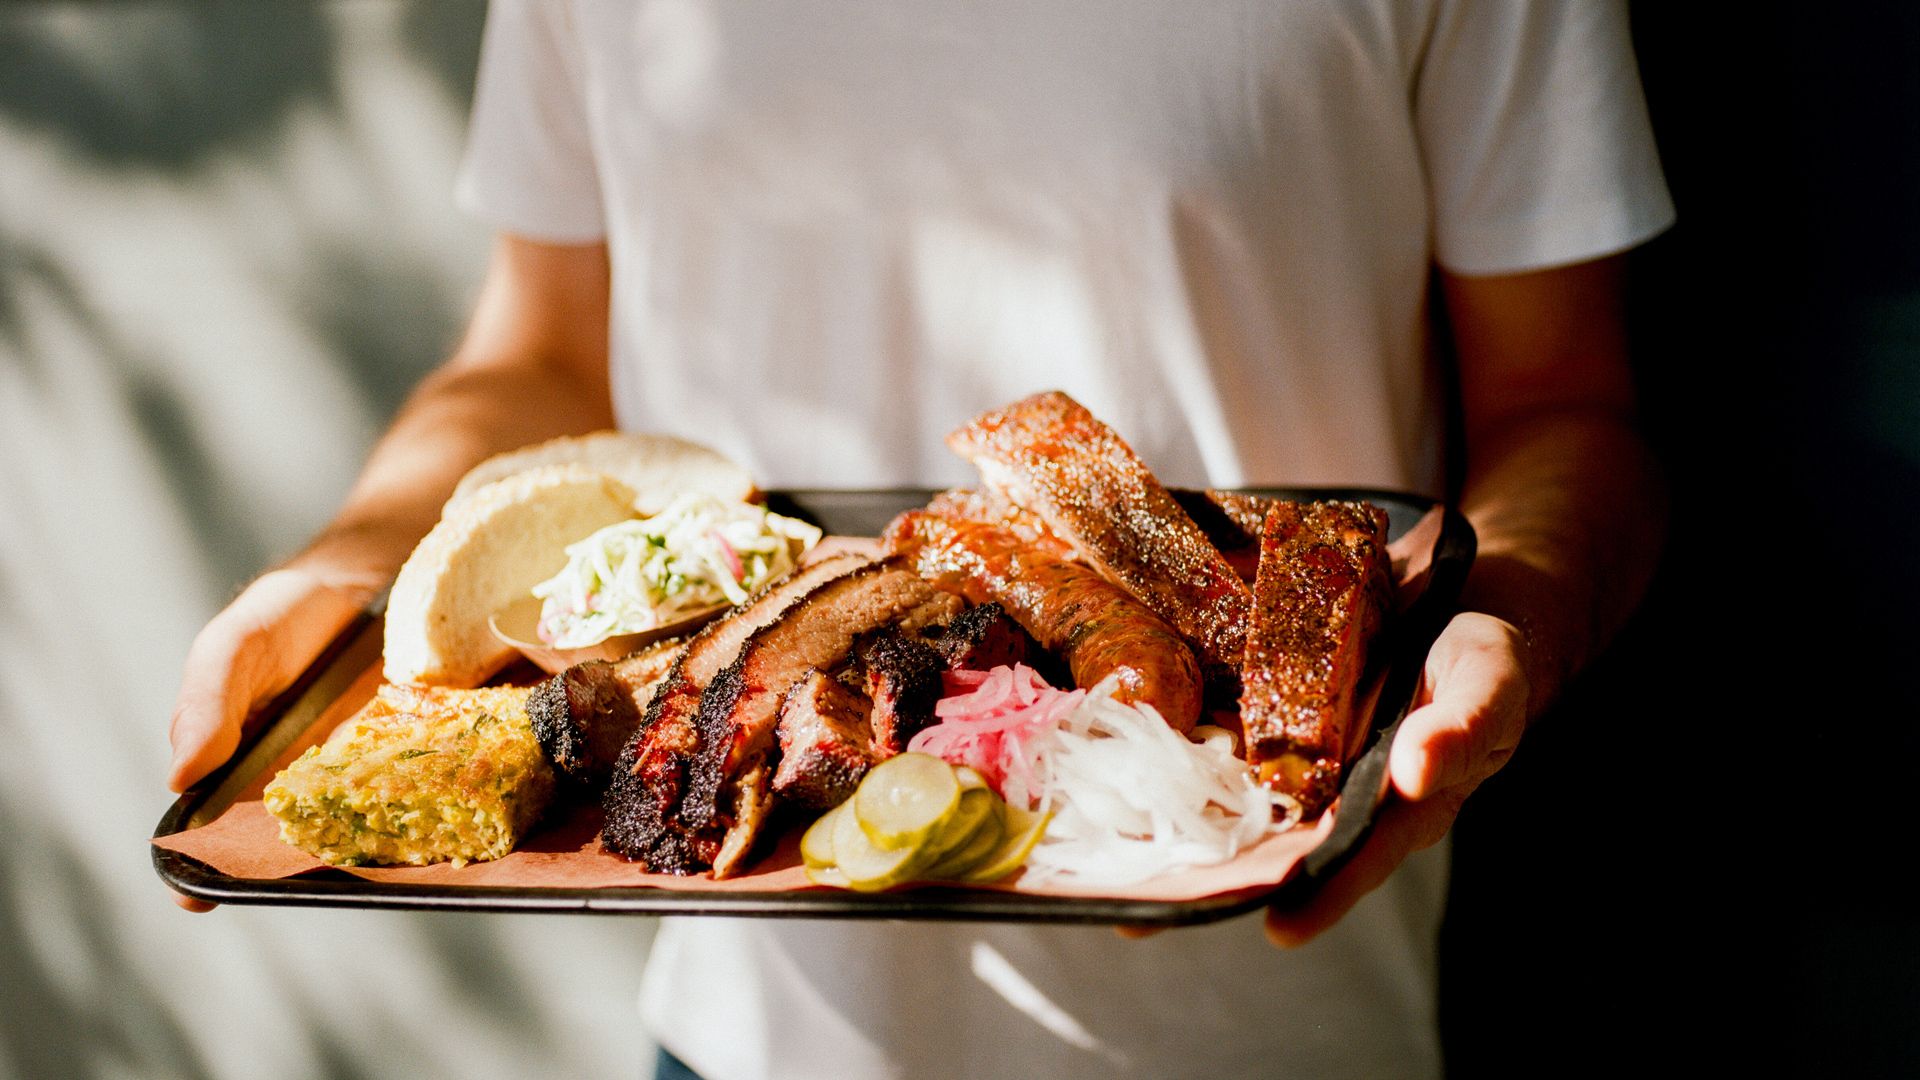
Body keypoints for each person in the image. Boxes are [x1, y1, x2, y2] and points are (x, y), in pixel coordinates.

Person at [167, 1, 1673, 1076]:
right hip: (744, 1033)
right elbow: (541, 357)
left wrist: (1517, 616)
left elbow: (1565, 400)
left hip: (1276, 1025)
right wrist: (360, 558)